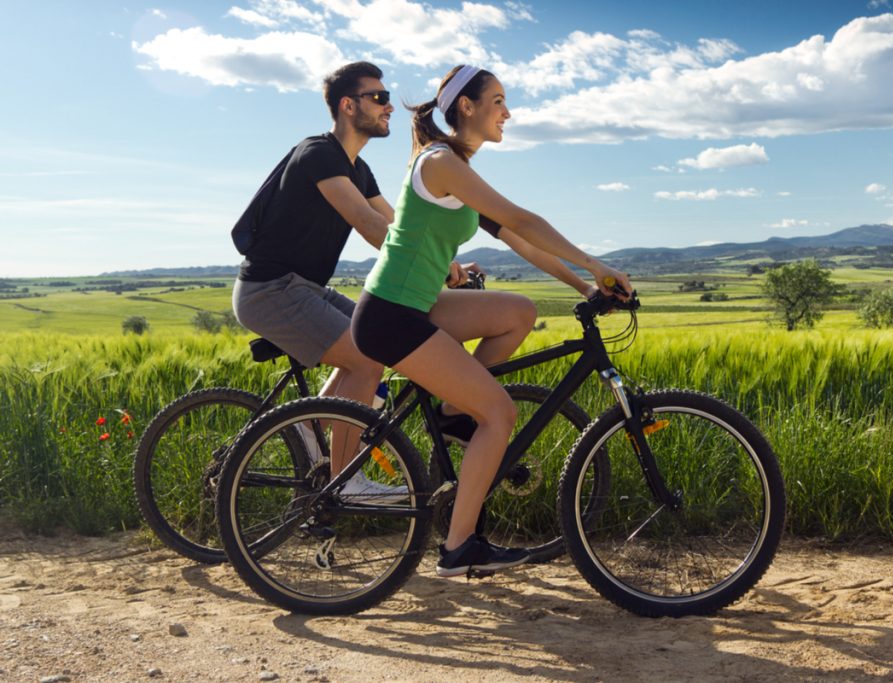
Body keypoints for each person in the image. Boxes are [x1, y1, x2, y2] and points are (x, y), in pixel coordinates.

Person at [349, 64, 632, 577]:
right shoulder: (441, 163)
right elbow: (525, 219)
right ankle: (459, 548)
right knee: (500, 414)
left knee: (518, 311)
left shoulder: (460, 169)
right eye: (498, 101)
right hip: (391, 315)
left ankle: (456, 413)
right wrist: (596, 263)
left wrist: (585, 286)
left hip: (416, 304)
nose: (508, 112)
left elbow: (518, 239)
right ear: (467, 107)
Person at [231, 61, 409, 501]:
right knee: (366, 360)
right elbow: (369, 225)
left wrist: (449, 260)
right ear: (349, 105)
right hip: (271, 290)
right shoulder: (319, 154)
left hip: (303, 287)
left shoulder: (358, 169)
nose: (389, 107)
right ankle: (345, 481)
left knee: (380, 339)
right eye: (379, 98)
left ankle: (310, 430)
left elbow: (398, 224)